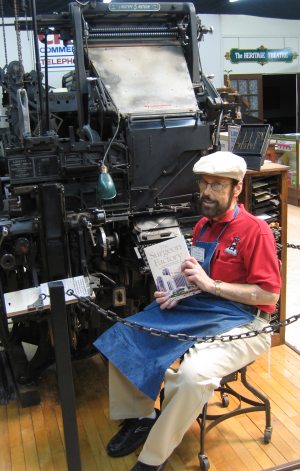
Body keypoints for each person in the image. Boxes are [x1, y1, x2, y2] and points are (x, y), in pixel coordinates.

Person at [94, 151, 281, 471]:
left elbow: (269, 295)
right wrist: (175, 294)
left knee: (193, 376)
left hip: (246, 319)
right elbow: (197, 279)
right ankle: (142, 417)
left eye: (217, 185)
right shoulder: (203, 228)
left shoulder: (255, 231)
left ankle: (152, 459)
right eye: (203, 183)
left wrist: (211, 285)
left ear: (237, 188)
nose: (206, 191)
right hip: (202, 307)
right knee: (124, 335)